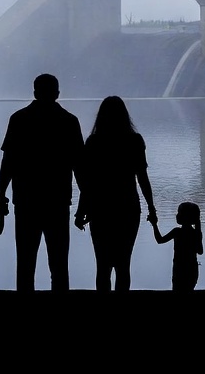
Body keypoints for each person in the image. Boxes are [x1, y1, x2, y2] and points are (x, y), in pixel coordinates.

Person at [0, 73, 84, 290]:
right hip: (58, 199)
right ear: (57, 93)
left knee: (25, 262)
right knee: (59, 263)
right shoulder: (69, 121)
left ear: (35, 92)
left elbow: (8, 161)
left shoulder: (19, 119)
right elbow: (79, 166)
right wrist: (85, 202)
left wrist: (1, 194)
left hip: (26, 199)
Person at [73, 95, 158, 291]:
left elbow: (89, 182)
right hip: (128, 206)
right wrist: (151, 207)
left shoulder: (94, 142)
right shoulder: (135, 141)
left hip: (100, 208)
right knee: (123, 264)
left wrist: (80, 211)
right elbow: (142, 178)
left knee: (102, 266)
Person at [151, 201, 204, 291]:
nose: (177, 215)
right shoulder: (196, 233)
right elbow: (200, 251)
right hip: (192, 269)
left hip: (179, 268)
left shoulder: (177, 232)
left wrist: (154, 224)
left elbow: (160, 240)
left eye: (179, 213)